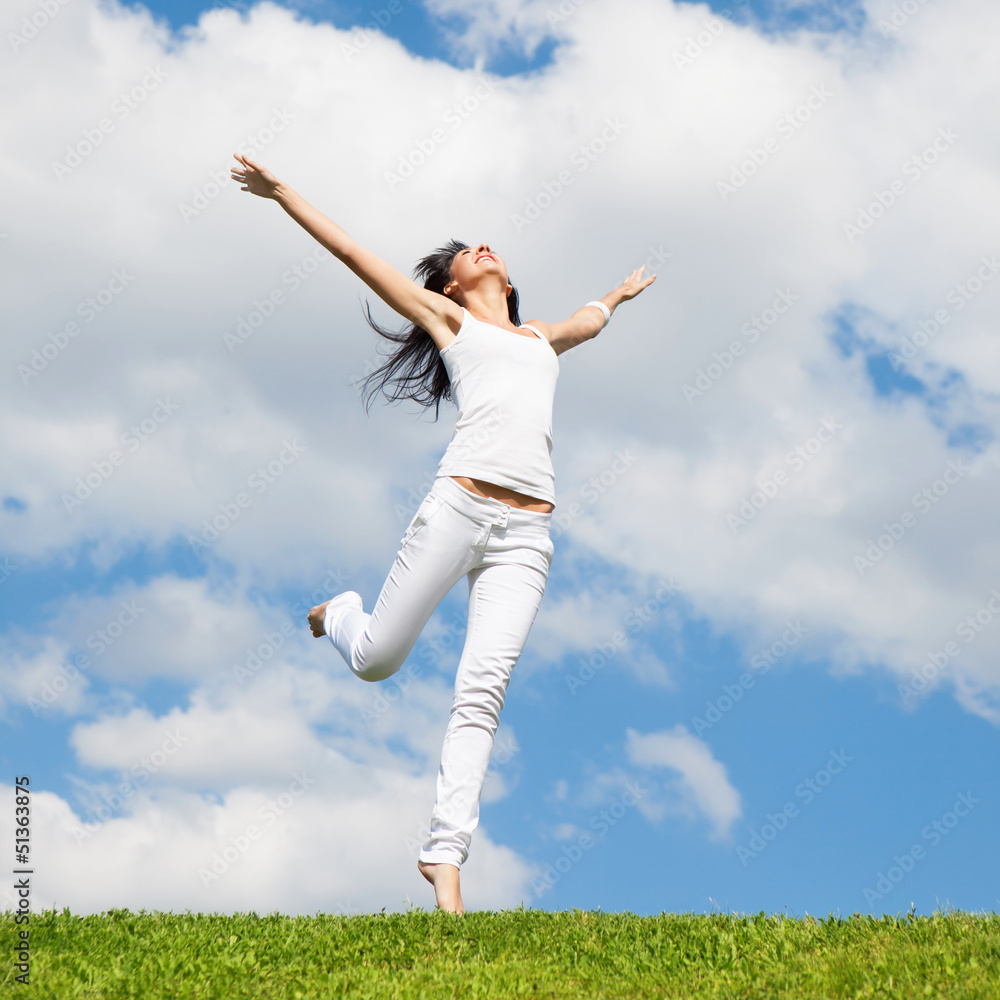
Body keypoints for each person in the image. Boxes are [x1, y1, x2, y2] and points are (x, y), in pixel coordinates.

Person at [231, 152, 656, 913]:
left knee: (481, 693)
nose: (481, 246)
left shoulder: (537, 339)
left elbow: (587, 325)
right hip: (458, 508)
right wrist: (282, 192)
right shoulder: (450, 320)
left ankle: (444, 861)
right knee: (375, 662)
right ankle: (339, 613)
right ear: (452, 285)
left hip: (528, 534)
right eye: (466, 252)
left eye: (486, 245)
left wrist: (617, 295)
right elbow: (353, 254)